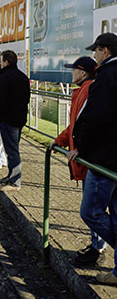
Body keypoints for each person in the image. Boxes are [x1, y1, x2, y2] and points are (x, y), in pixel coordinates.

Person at [73, 33, 117, 284]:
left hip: (105, 158)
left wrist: (82, 148)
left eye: (97, 51)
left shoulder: (106, 76)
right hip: (112, 157)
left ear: (106, 51)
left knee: (90, 211)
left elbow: (95, 118)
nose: (95, 56)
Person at [54, 57, 105, 266]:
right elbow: (75, 125)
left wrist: (79, 149)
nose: (71, 73)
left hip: (90, 160)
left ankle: (98, 247)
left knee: (93, 209)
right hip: (86, 158)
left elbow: (88, 125)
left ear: (83, 72)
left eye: (73, 70)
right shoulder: (82, 90)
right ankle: (96, 245)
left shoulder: (88, 89)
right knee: (95, 208)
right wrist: (60, 140)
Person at [0, 50, 30, 191]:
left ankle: (15, 181)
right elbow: (26, 99)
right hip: (19, 118)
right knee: (13, 148)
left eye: (1, 62)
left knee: (12, 150)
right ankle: (12, 175)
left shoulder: (4, 77)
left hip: (8, 119)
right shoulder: (23, 77)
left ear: (6, 62)